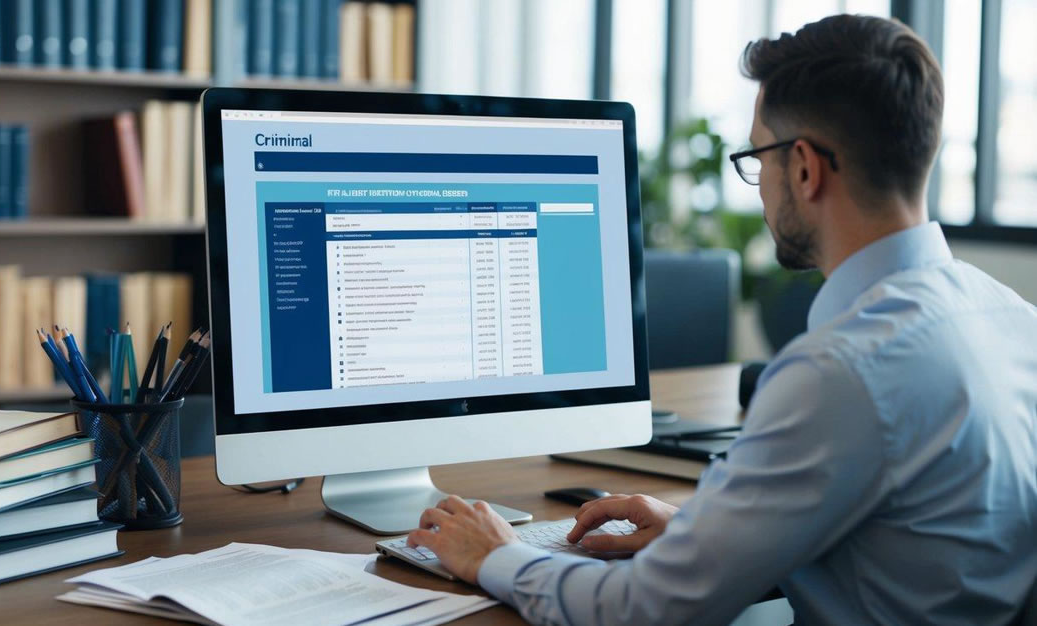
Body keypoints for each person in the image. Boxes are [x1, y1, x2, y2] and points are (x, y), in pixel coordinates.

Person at [406, 14, 1037, 625]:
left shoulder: (841, 372)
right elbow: (906, 542)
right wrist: (704, 538)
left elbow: (642, 610)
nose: (758, 183)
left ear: (806, 168)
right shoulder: (1012, 320)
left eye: (758, 157)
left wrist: (498, 556)